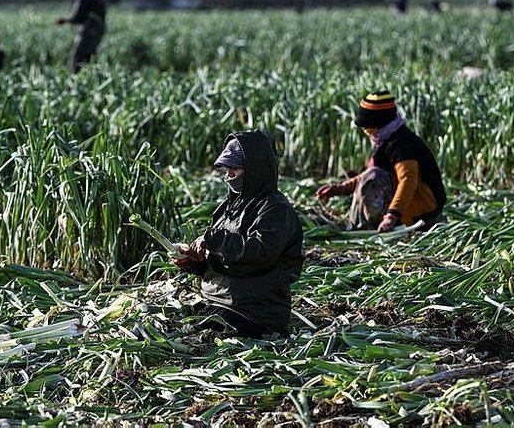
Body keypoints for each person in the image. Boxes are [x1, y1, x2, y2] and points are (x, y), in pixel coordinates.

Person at [174, 130, 304, 338]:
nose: (228, 176)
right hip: (216, 300)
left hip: (254, 311)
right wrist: (193, 262)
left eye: (234, 169)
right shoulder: (229, 205)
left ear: (255, 169)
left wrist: (212, 239)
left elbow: (260, 253)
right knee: (173, 324)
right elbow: (223, 260)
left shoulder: (275, 209)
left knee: (197, 335)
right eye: (226, 169)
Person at [316, 91, 446, 232]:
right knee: (372, 176)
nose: (366, 131)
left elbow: (408, 181)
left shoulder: (402, 144)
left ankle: (369, 227)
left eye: (368, 127)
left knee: (375, 178)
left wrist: (391, 216)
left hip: (422, 214)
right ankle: (357, 227)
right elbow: (365, 176)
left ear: (379, 123)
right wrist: (339, 189)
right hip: (410, 209)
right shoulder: (387, 140)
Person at [56, 0, 106, 74]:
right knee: (89, 61)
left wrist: (64, 20)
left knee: (76, 61)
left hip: (89, 31)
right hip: (98, 31)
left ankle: (75, 84)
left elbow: (77, 17)